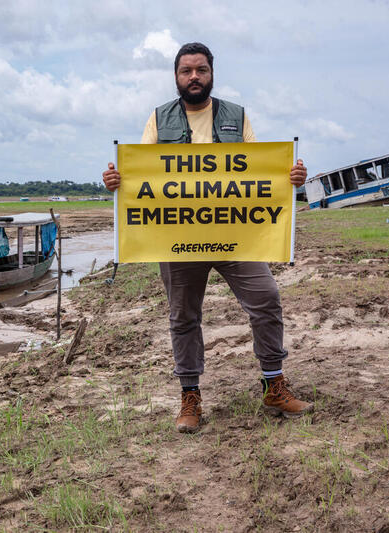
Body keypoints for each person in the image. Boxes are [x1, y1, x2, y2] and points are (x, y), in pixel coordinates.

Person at [102, 42, 312, 433]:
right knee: (183, 317)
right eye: (186, 71)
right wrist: (117, 181)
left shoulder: (237, 116)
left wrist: (292, 179)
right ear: (176, 76)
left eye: (200, 69)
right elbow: (140, 174)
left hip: (237, 234)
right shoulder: (158, 119)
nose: (194, 76)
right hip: (178, 239)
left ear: (212, 73)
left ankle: (273, 385)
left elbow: (260, 171)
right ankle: (190, 398)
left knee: (266, 299)